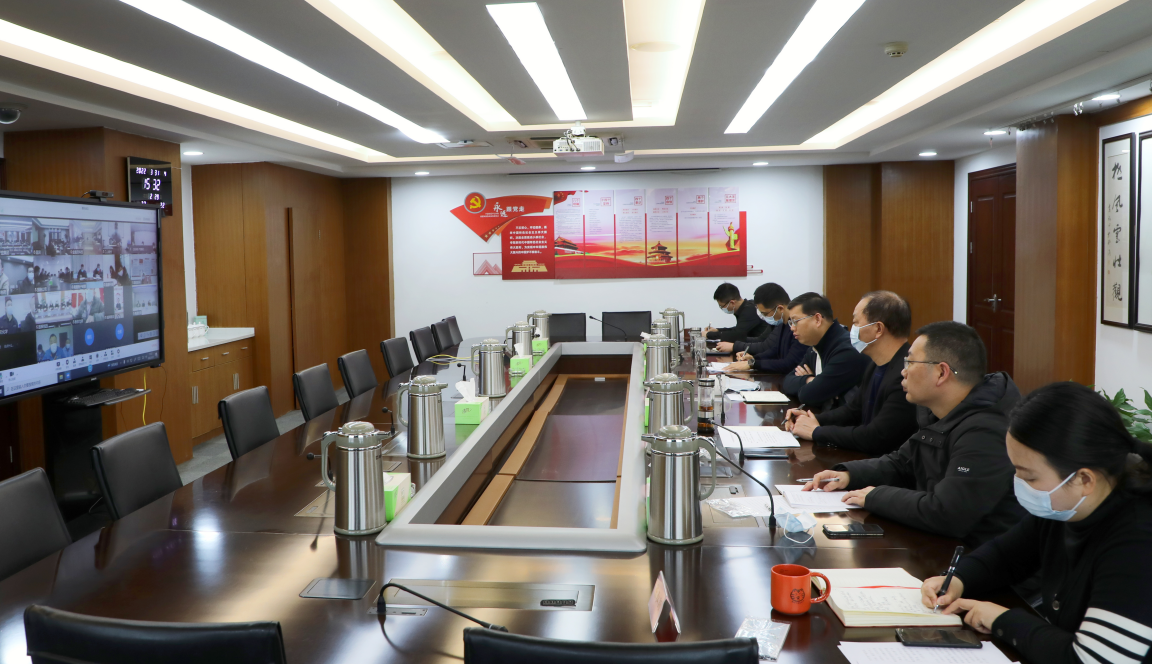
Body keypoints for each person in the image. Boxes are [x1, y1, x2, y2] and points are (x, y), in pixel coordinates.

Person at [923, 382, 1152, 664]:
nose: (1019, 484)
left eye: (1029, 477)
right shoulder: (1067, 507)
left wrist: (1002, 620)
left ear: (1084, 479)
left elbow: (1092, 659)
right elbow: (1005, 557)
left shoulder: (1138, 539)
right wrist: (958, 580)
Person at [803, 321, 1025, 547]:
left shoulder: (987, 431)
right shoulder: (939, 411)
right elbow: (902, 462)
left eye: (910, 362)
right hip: (939, 546)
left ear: (941, 372)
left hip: (975, 557)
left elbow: (947, 513)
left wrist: (875, 496)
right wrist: (849, 475)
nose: (903, 371)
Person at [785, 291, 918, 455]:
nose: (852, 329)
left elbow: (875, 437)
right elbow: (853, 411)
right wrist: (810, 418)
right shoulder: (876, 365)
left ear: (878, 328)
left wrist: (816, 432)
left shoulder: (906, 374)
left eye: (856, 323)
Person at [781, 292, 870, 406]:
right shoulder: (815, 347)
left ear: (817, 319)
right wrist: (810, 380)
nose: (792, 328)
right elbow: (787, 381)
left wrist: (814, 384)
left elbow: (808, 395)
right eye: (791, 323)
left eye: (795, 321)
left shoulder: (846, 351)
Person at [719, 283, 807, 374]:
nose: (763, 317)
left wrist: (753, 364)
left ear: (780, 308)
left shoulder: (798, 327)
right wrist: (753, 359)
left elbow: (789, 363)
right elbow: (774, 350)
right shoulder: (782, 323)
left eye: (765, 314)